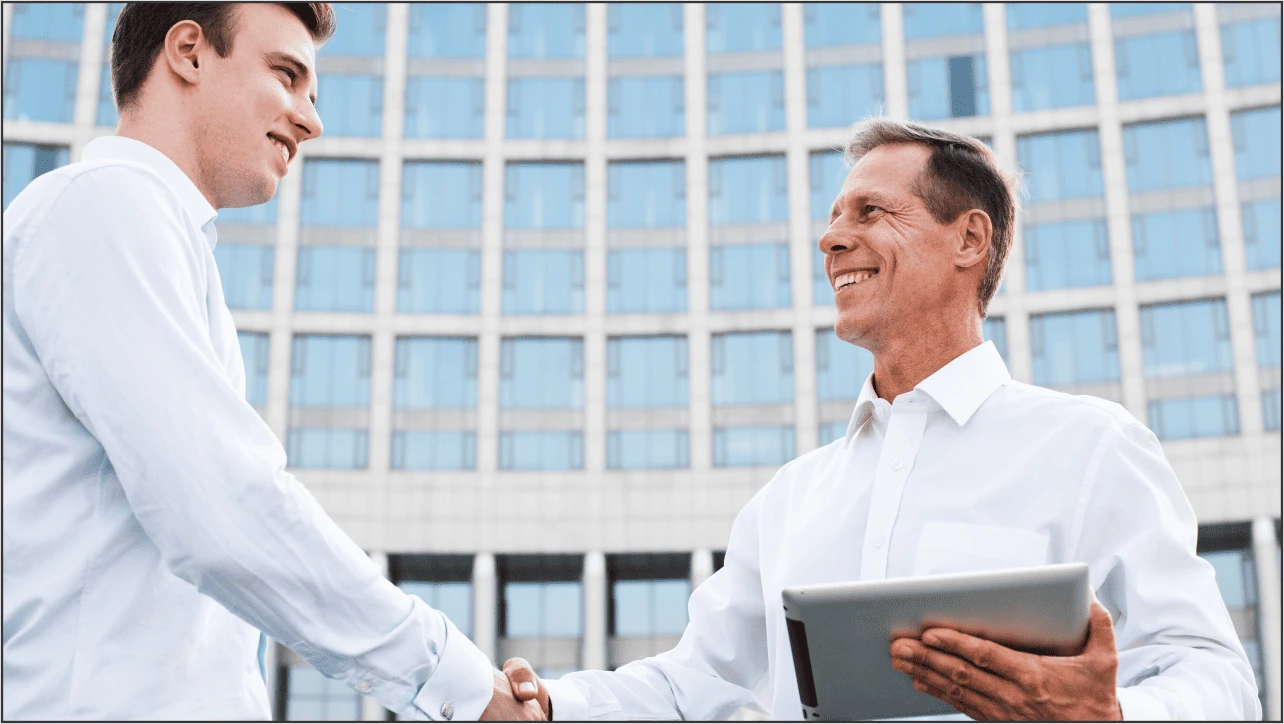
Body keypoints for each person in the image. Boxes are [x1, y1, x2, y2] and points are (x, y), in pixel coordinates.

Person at [498, 118, 1262, 720]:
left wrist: (1114, 713)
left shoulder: (1092, 448)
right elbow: (690, 684)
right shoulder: (788, 500)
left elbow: (1216, 673)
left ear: (969, 238)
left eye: (871, 211)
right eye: (833, 218)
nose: (832, 239)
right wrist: (553, 704)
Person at [2, 4, 539, 720]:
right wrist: (464, 688)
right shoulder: (103, 209)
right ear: (189, 52)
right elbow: (222, 508)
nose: (310, 120)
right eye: (288, 76)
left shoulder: (155, 240)